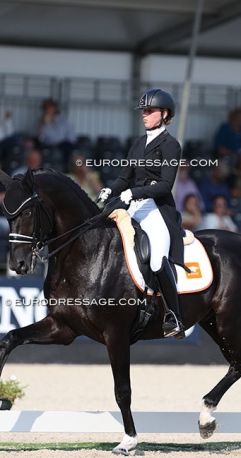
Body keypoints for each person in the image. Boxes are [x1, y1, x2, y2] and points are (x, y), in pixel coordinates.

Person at [97, 88, 185, 339]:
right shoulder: (138, 144)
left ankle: (175, 317)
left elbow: (165, 185)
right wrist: (109, 190)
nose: (144, 115)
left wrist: (133, 193)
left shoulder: (170, 146)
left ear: (164, 114)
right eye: (143, 111)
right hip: (133, 204)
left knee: (157, 258)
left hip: (157, 208)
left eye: (149, 111)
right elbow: (124, 177)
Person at [38, 98, 76, 166]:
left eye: (50, 107)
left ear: (55, 108)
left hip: (62, 144)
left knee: (69, 148)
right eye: (46, 108)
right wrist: (43, 124)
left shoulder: (63, 120)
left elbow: (71, 137)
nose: (48, 110)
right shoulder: (42, 121)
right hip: (48, 144)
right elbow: (41, 138)